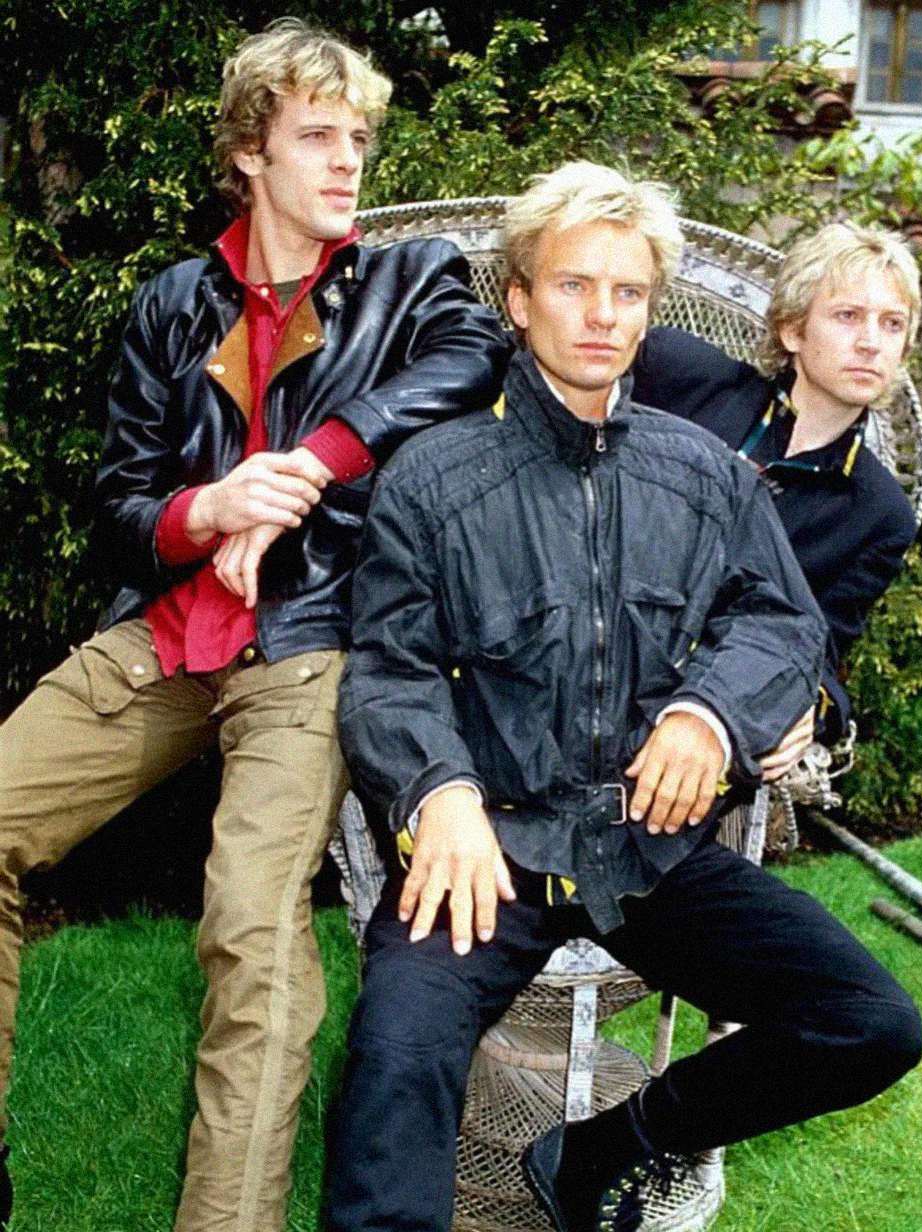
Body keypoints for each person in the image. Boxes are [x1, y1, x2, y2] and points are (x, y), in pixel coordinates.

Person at [326, 162, 922, 1232]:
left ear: (653, 308)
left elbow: (785, 625)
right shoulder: (433, 475)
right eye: (573, 285)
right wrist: (441, 789)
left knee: (869, 1021)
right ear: (519, 298)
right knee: (397, 1055)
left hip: (650, 848)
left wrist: (709, 714)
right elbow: (389, 665)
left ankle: (604, 1146)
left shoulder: (706, 475)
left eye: (628, 291)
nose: (602, 313)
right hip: (488, 850)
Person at [0, 18, 507, 1232]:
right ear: (250, 152)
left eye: (360, 140)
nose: (348, 163)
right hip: (162, 638)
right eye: (319, 137)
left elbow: (473, 349)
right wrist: (204, 507)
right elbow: (118, 501)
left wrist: (310, 463)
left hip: (310, 639)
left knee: (251, 927)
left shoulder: (409, 278)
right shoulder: (174, 304)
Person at [634, 223, 922, 747]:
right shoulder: (679, 375)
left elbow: (822, 649)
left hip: (695, 702)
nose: (870, 342)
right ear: (793, 330)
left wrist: (812, 708)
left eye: (892, 324)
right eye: (848, 316)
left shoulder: (880, 514)